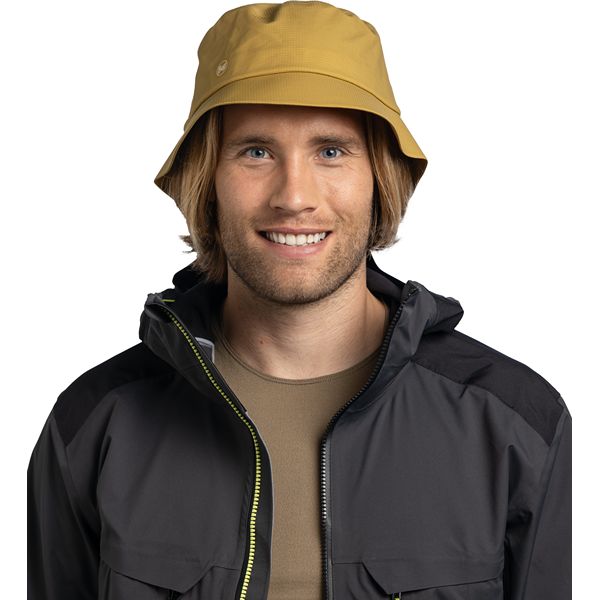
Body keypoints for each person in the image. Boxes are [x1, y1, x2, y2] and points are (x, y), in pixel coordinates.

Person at [27, 2, 571, 599]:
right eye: (255, 151)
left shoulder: (515, 424)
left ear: (380, 177)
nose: (293, 196)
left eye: (331, 151)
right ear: (207, 180)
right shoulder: (95, 424)